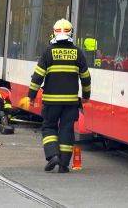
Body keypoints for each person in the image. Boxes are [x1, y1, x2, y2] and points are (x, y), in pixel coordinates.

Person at [28, 18, 91, 173]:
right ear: (71, 33)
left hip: (51, 102)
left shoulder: (48, 52)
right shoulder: (78, 53)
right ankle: (63, 164)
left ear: (54, 33)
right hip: (70, 103)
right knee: (66, 130)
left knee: (49, 127)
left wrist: (31, 95)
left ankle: (53, 155)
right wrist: (86, 95)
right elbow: (86, 77)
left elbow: (37, 77)